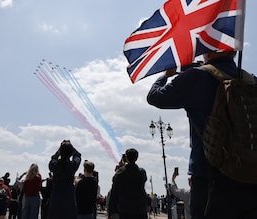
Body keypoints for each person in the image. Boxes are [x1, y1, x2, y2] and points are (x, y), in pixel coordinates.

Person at [147, 50, 257, 219]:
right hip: (250, 178)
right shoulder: (251, 80)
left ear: (208, 52)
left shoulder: (196, 77)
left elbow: (154, 97)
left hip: (210, 181)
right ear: (234, 50)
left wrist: (165, 75)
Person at [108, 148, 148, 219]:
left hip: (125, 209)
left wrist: (111, 211)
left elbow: (114, 192)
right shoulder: (141, 172)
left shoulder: (120, 173)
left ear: (126, 158)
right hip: (140, 208)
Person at [47, 139, 81, 219]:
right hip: (69, 197)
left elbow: (53, 158)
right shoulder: (72, 166)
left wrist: (60, 149)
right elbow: (78, 155)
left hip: (56, 196)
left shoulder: (54, 165)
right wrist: (70, 146)